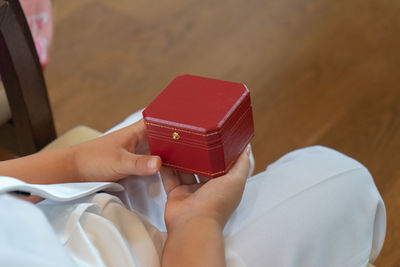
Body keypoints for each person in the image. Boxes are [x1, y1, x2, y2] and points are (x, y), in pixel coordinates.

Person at [0, 111, 386, 267]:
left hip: (58, 213)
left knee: (175, 128)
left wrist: (77, 163)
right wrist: (197, 222)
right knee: (340, 178)